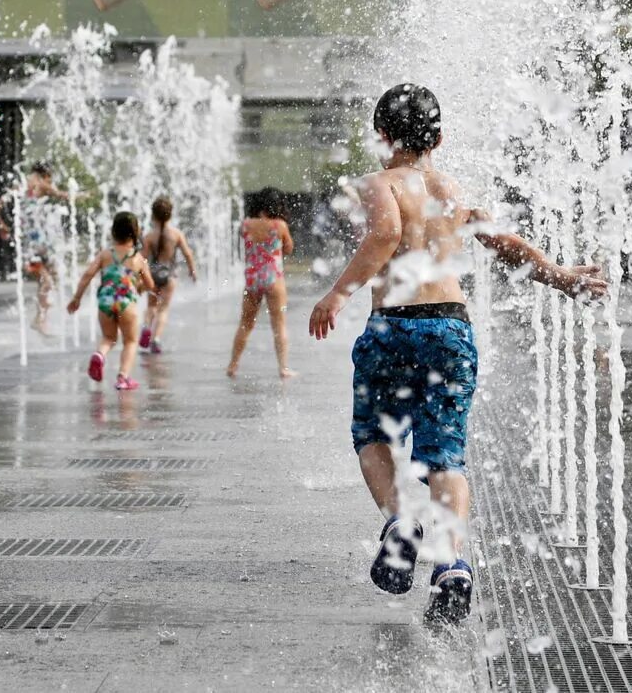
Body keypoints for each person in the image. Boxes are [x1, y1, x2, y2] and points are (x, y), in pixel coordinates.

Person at [308, 84, 606, 627]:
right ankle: (451, 565)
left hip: (394, 327)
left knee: (371, 433)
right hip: (450, 328)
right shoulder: (451, 189)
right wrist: (560, 276)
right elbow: (504, 242)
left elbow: (386, 234)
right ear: (439, 138)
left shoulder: (380, 183)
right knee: (445, 456)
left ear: (381, 136)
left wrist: (338, 292)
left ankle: (401, 524)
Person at [67, 211, 154, 391]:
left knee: (109, 337)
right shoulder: (137, 258)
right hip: (126, 303)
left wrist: (77, 298)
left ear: (113, 231)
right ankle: (123, 377)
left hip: (105, 302)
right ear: (135, 233)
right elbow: (150, 284)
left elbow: (88, 275)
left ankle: (99, 355)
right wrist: (139, 287)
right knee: (130, 340)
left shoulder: (105, 254)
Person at [0, 163, 72, 334]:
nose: (50, 183)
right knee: (48, 282)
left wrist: (2, 226)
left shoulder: (20, 187)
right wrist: (85, 195)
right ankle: (40, 319)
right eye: (49, 179)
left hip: (39, 247)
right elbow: (64, 195)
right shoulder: (38, 185)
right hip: (31, 251)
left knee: (52, 280)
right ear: (44, 176)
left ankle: (42, 317)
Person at [230, 188, 296, 380]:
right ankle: (283, 368)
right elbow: (289, 248)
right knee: (279, 324)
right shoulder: (279, 225)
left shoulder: (246, 225)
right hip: (274, 279)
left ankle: (233, 365)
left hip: (252, 279)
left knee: (245, 323)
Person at [139, 196, 198, 354]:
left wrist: (139, 277)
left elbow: (142, 259)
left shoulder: (149, 236)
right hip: (170, 275)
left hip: (152, 274)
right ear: (170, 214)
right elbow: (188, 254)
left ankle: (146, 327)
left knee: (151, 306)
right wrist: (192, 270)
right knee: (163, 309)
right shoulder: (176, 234)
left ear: (152, 215)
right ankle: (156, 339)